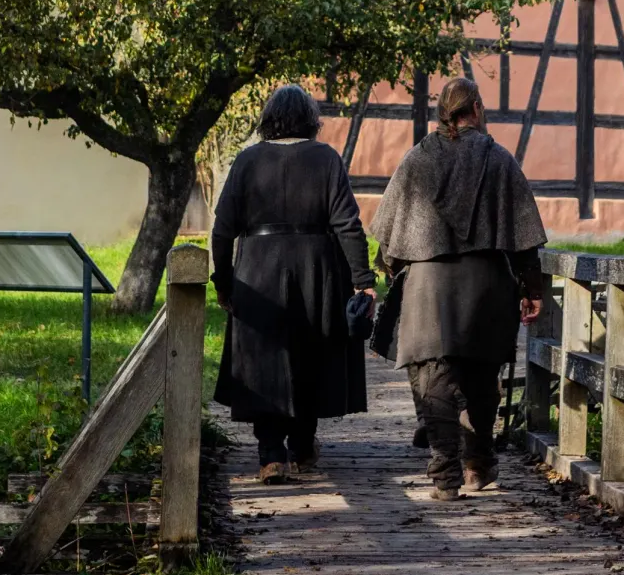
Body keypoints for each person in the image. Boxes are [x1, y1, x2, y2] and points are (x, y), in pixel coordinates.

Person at [370, 77, 547, 501]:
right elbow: (524, 239)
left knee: (435, 378)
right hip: (486, 284)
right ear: (478, 109)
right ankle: (477, 466)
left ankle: (445, 475)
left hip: (428, 285)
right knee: (482, 378)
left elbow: (389, 239)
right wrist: (532, 288)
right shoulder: (499, 159)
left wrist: (392, 269)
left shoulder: (417, 159)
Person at [211, 84, 376, 485]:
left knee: (264, 360)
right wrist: (363, 281)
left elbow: (222, 229)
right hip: (316, 269)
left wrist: (224, 281)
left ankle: (271, 455)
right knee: (310, 355)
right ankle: (302, 447)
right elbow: (348, 225)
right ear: (310, 121)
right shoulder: (326, 158)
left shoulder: (248, 160)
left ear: (269, 120)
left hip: (258, 269)